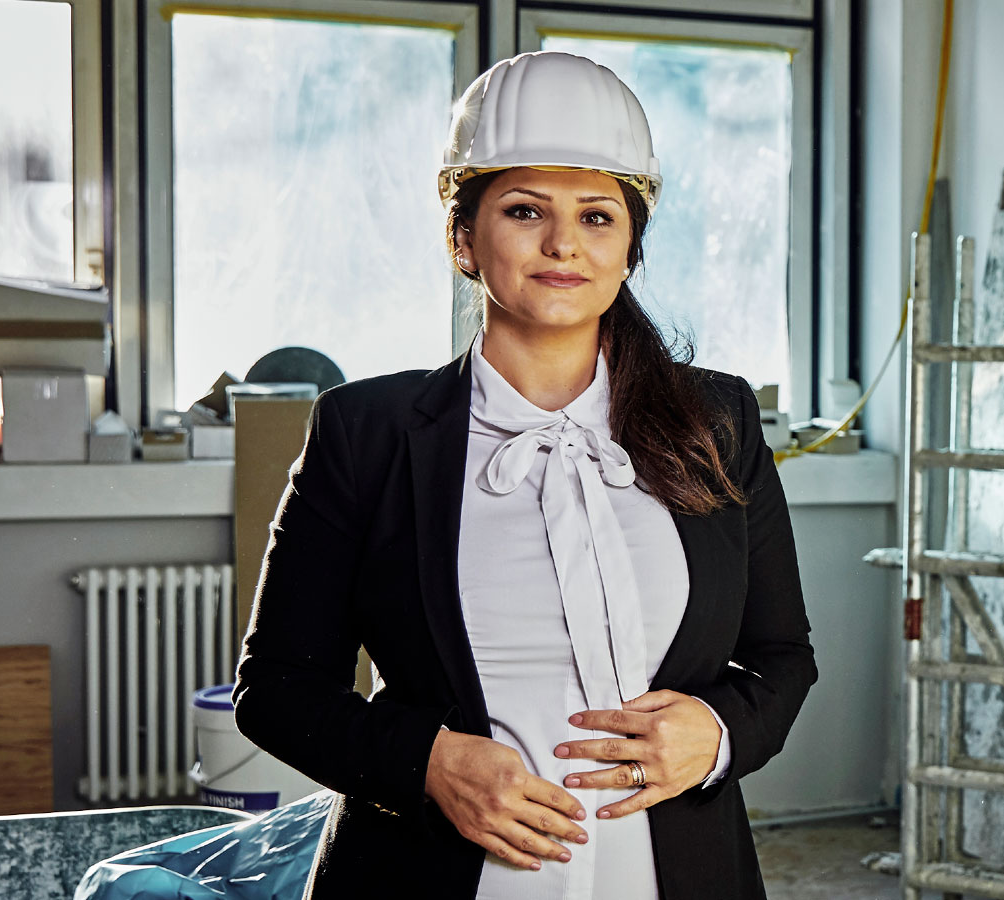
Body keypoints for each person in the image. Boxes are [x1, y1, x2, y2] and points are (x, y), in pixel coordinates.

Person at [233, 50, 817, 900]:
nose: (562, 245)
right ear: (463, 238)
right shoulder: (367, 434)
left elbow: (781, 659)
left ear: (630, 246)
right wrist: (427, 762)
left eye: (595, 216)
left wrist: (718, 734)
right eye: (523, 210)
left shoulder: (716, 423)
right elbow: (276, 689)